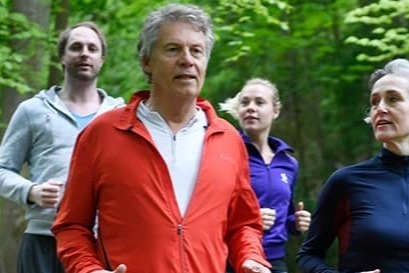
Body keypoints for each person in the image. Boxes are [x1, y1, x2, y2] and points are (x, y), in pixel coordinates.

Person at [51, 3, 271, 273]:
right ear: (147, 61)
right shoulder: (101, 134)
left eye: (196, 51)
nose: (187, 60)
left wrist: (251, 258)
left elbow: (244, 224)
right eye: (173, 49)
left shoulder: (228, 139)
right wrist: (89, 269)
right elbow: (71, 225)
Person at [297, 58, 409, 273]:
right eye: (374, 102)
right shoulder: (346, 182)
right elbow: (309, 256)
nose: (380, 109)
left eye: (393, 99)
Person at [0, 21, 124, 273]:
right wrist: (31, 191)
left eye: (92, 48)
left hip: (101, 242)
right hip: (44, 239)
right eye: (76, 47)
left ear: (102, 59)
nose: (84, 53)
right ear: (62, 57)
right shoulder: (32, 111)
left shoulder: (120, 115)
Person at [219, 78, 312, 273]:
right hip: (233, 260)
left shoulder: (288, 163)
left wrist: (294, 223)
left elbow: (284, 217)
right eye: (245, 103)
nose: (251, 108)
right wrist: (250, 219)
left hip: (274, 261)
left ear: (275, 111)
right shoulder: (224, 153)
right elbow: (209, 212)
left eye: (259, 103)